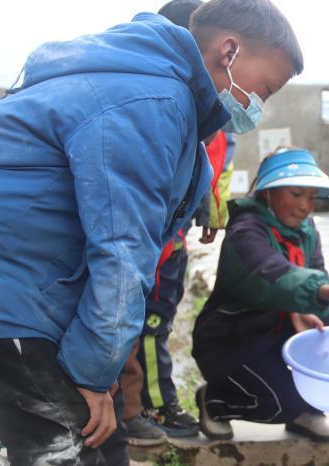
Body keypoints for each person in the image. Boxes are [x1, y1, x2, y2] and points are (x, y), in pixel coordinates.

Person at [0, 0, 303, 462]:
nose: (258, 106)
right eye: (266, 89)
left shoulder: (164, 99)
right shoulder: (151, 104)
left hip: (41, 289)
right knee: (65, 449)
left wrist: (99, 371)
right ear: (230, 51)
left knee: (105, 442)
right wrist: (91, 375)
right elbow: (123, 252)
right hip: (14, 295)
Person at [192, 148, 329, 441]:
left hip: (276, 326)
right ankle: (216, 401)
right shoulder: (245, 231)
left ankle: (309, 411)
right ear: (267, 193)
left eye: (311, 198)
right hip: (236, 338)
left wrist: (307, 305)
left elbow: (315, 269)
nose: (304, 206)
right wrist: (319, 290)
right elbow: (270, 273)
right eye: (296, 194)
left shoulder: (306, 229)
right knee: (281, 404)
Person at [119, 0, 238, 443]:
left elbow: (214, 164)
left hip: (173, 242)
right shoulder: (157, 107)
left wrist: (212, 211)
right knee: (146, 325)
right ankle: (152, 404)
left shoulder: (212, 112)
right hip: (148, 247)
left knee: (158, 320)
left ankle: (145, 402)